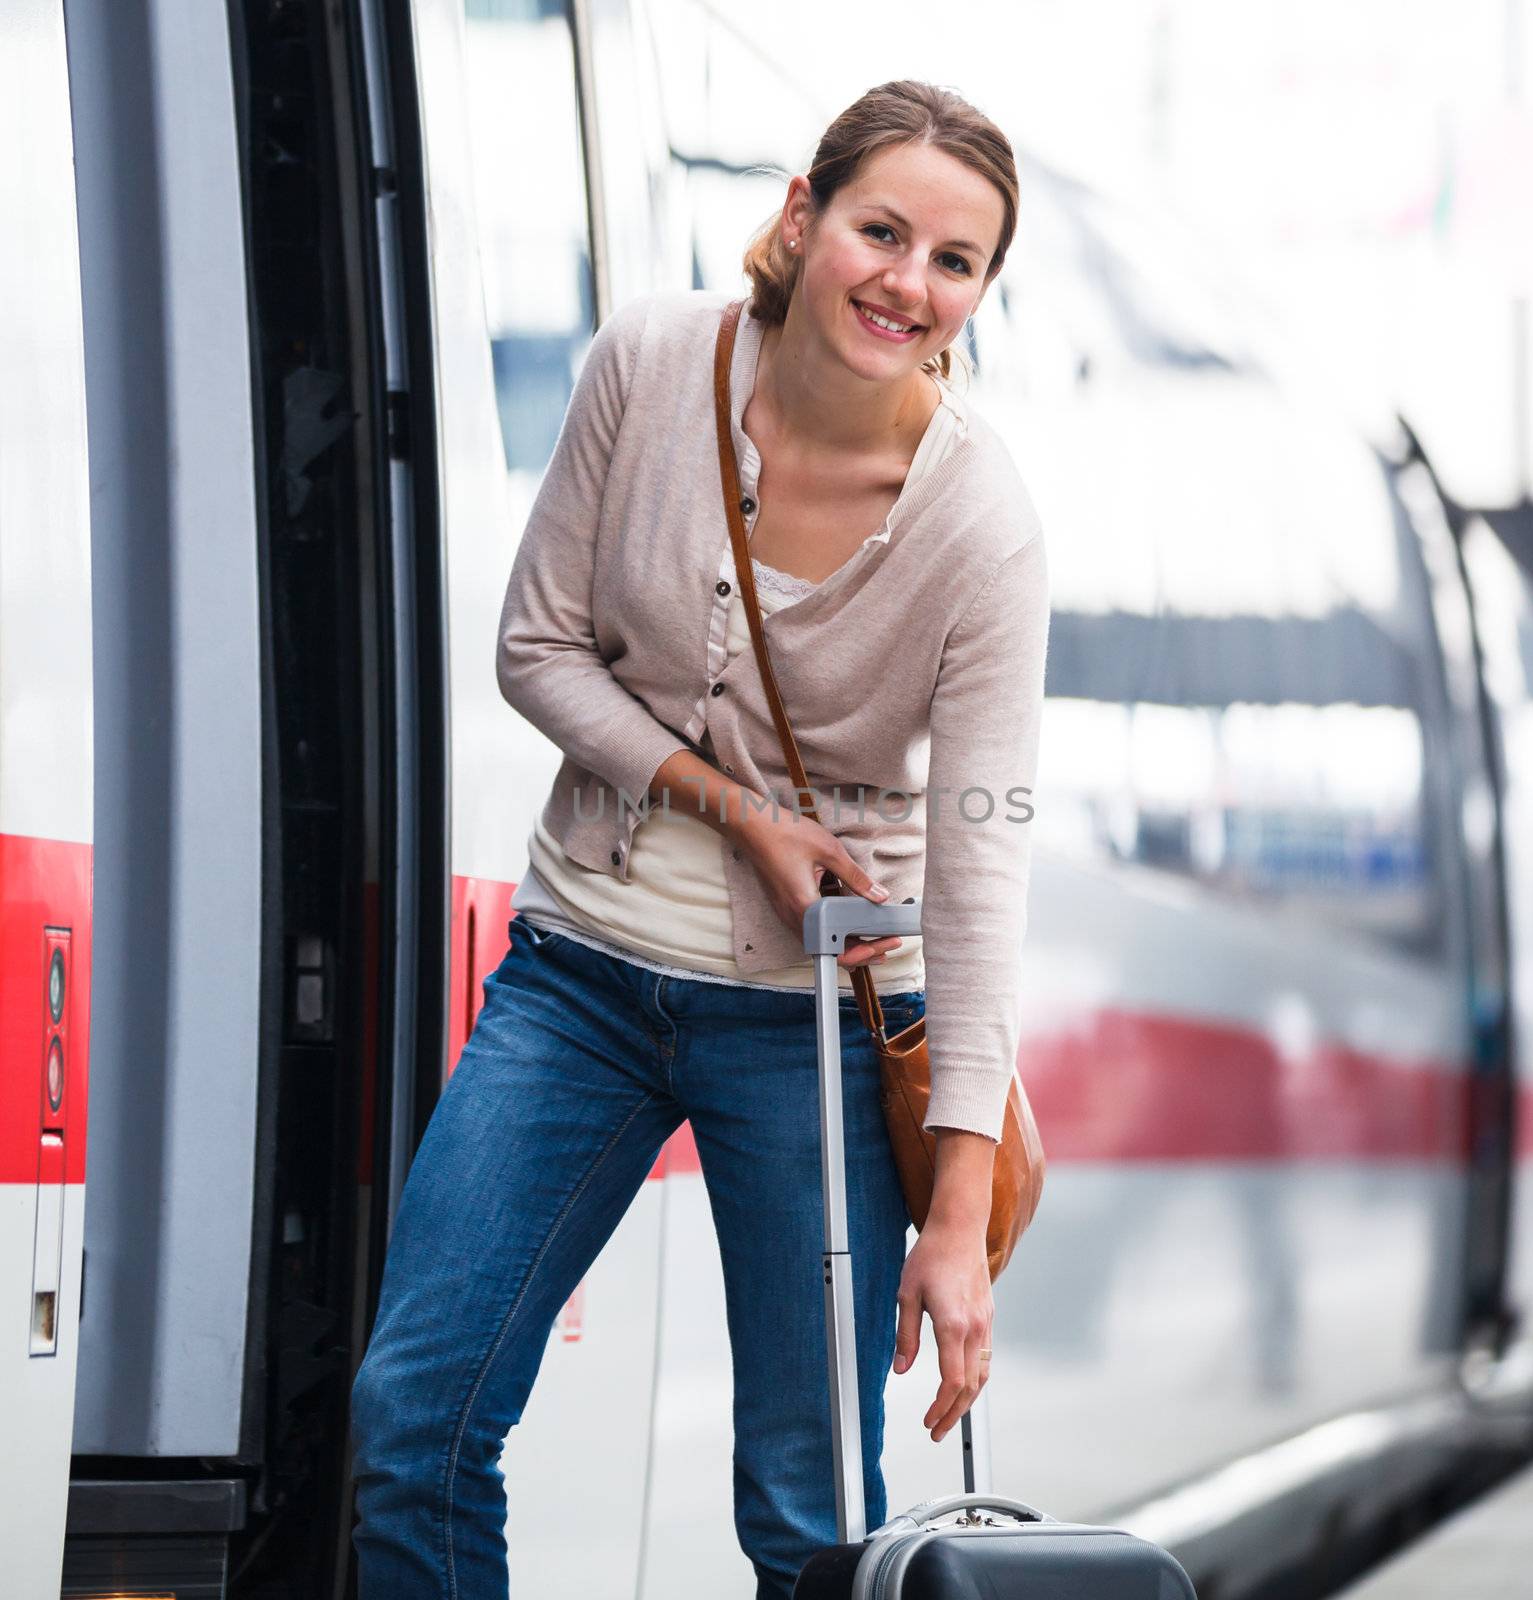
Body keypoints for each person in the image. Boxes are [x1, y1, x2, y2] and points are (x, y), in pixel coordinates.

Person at [349, 77, 1049, 1599]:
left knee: (806, 1506)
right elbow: (537, 651)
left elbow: (982, 872)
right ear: (803, 219)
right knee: (414, 1419)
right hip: (579, 978)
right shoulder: (652, 363)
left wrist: (953, 1216)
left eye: (953, 262)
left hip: (811, 1028)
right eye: (880, 228)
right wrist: (734, 807)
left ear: (978, 295)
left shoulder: (980, 522)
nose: (904, 282)